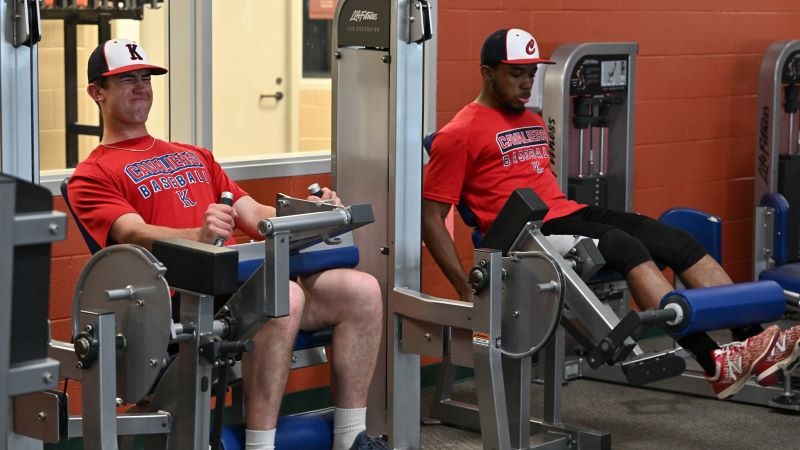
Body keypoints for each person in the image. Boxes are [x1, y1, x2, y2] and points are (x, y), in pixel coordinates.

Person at [421, 28, 800, 400]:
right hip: (525, 234)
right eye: (516, 73)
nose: (526, 83)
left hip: (566, 213)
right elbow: (432, 217)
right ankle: (713, 360)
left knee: (674, 240)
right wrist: (464, 287)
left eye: (532, 74)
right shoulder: (459, 133)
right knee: (622, 245)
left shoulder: (530, 120)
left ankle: (752, 339)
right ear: (487, 73)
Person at [68, 38, 390, 450]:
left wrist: (313, 212)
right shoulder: (93, 174)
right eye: (126, 80)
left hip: (239, 286)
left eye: (145, 78)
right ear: (97, 92)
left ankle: (350, 438)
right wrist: (196, 238)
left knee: (362, 290)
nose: (141, 87)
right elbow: (131, 233)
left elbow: (255, 215)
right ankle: (260, 445)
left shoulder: (194, 154)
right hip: (183, 304)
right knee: (283, 295)